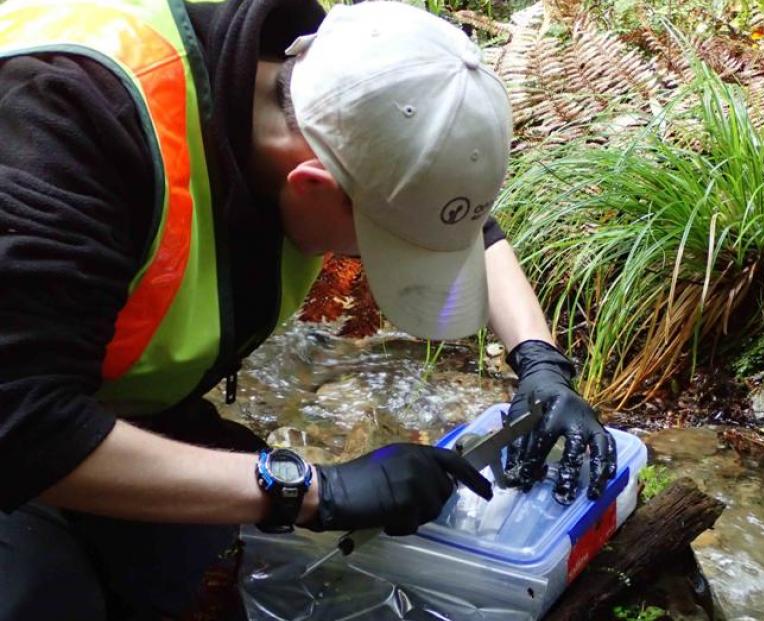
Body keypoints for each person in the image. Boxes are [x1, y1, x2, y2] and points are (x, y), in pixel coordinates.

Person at [0, 0, 617, 618]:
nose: (373, 265)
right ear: (313, 184)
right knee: (47, 598)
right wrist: (313, 490)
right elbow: (23, 428)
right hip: (24, 420)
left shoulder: (339, 81)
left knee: (215, 567)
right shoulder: (64, 129)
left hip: (101, 400)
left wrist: (539, 362)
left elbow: (459, 225)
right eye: (378, 245)